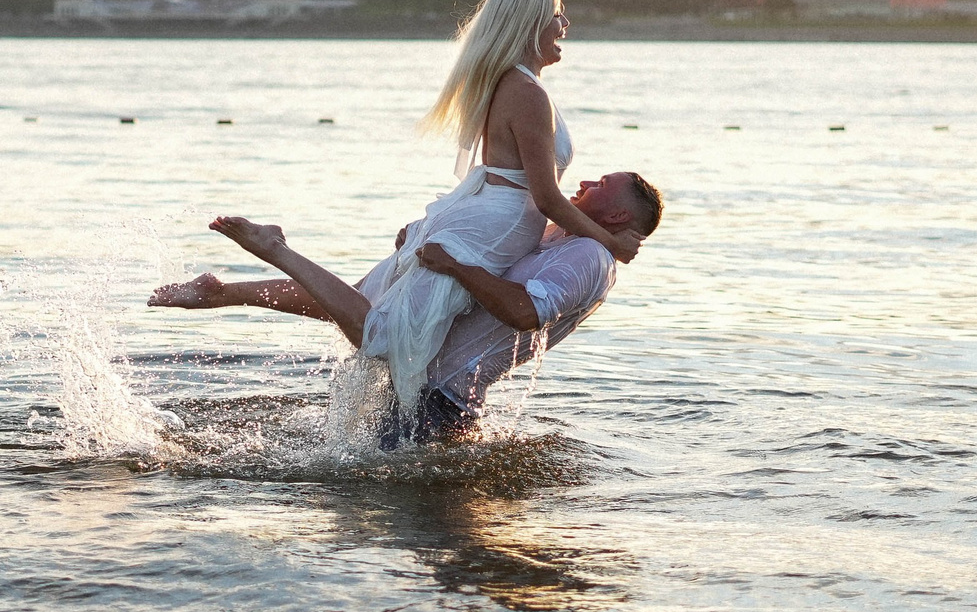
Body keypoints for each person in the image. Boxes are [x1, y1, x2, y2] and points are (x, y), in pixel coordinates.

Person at [148, 170, 663, 446]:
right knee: (367, 304)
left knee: (394, 526)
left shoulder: (589, 256)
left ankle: (275, 252)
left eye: (600, 185)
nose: (584, 183)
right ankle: (226, 292)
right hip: (419, 382)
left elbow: (527, 312)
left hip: (441, 406)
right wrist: (424, 240)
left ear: (616, 212)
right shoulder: (561, 237)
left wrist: (453, 267)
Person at [351, 0, 640, 423]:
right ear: (531, 24)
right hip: (499, 224)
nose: (566, 23)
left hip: (497, 221)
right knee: (388, 330)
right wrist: (611, 242)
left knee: (396, 325)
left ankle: (239, 284)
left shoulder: (514, 84)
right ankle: (272, 254)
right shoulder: (526, 93)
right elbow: (545, 196)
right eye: (557, 15)